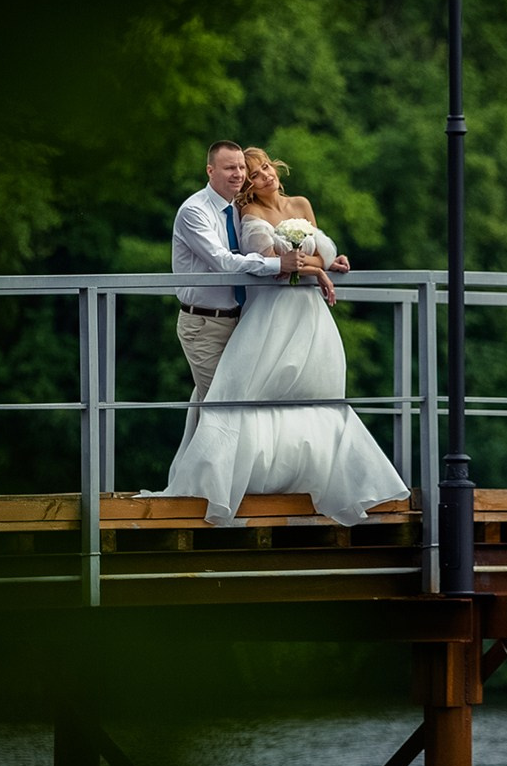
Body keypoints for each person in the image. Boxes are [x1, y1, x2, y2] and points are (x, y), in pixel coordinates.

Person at [147, 146, 408, 526]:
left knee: (296, 397)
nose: (247, 174)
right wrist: (297, 266)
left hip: (257, 315)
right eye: (238, 170)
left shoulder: (278, 204)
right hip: (211, 320)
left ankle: (270, 482)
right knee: (226, 402)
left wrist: (322, 266)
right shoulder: (205, 211)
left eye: (250, 168)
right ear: (211, 170)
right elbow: (230, 262)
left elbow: (311, 256)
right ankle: (212, 495)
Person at [170, 140, 299, 423]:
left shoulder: (240, 209)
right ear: (210, 171)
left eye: (241, 167)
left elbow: (277, 247)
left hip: (241, 321)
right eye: (230, 168)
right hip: (204, 325)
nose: (238, 173)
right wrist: (278, 264)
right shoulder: (194, 212)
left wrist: (327, 262)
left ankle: (198, 466)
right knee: (225, 409)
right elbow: (223, 262)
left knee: (230, 408)